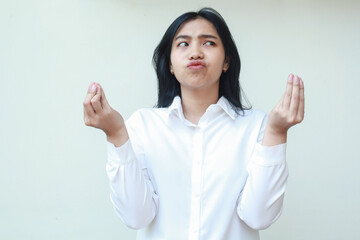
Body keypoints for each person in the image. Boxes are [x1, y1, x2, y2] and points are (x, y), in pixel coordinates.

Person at [83, 7, 304, 240]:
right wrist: (116, 134)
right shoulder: (142, 125)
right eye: (183, 44)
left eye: (208, 43)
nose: (196, 52)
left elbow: (259, 217)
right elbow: (136, 217)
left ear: (226, 60)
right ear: (169, 64)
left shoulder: (257, 126)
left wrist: (277, 132)